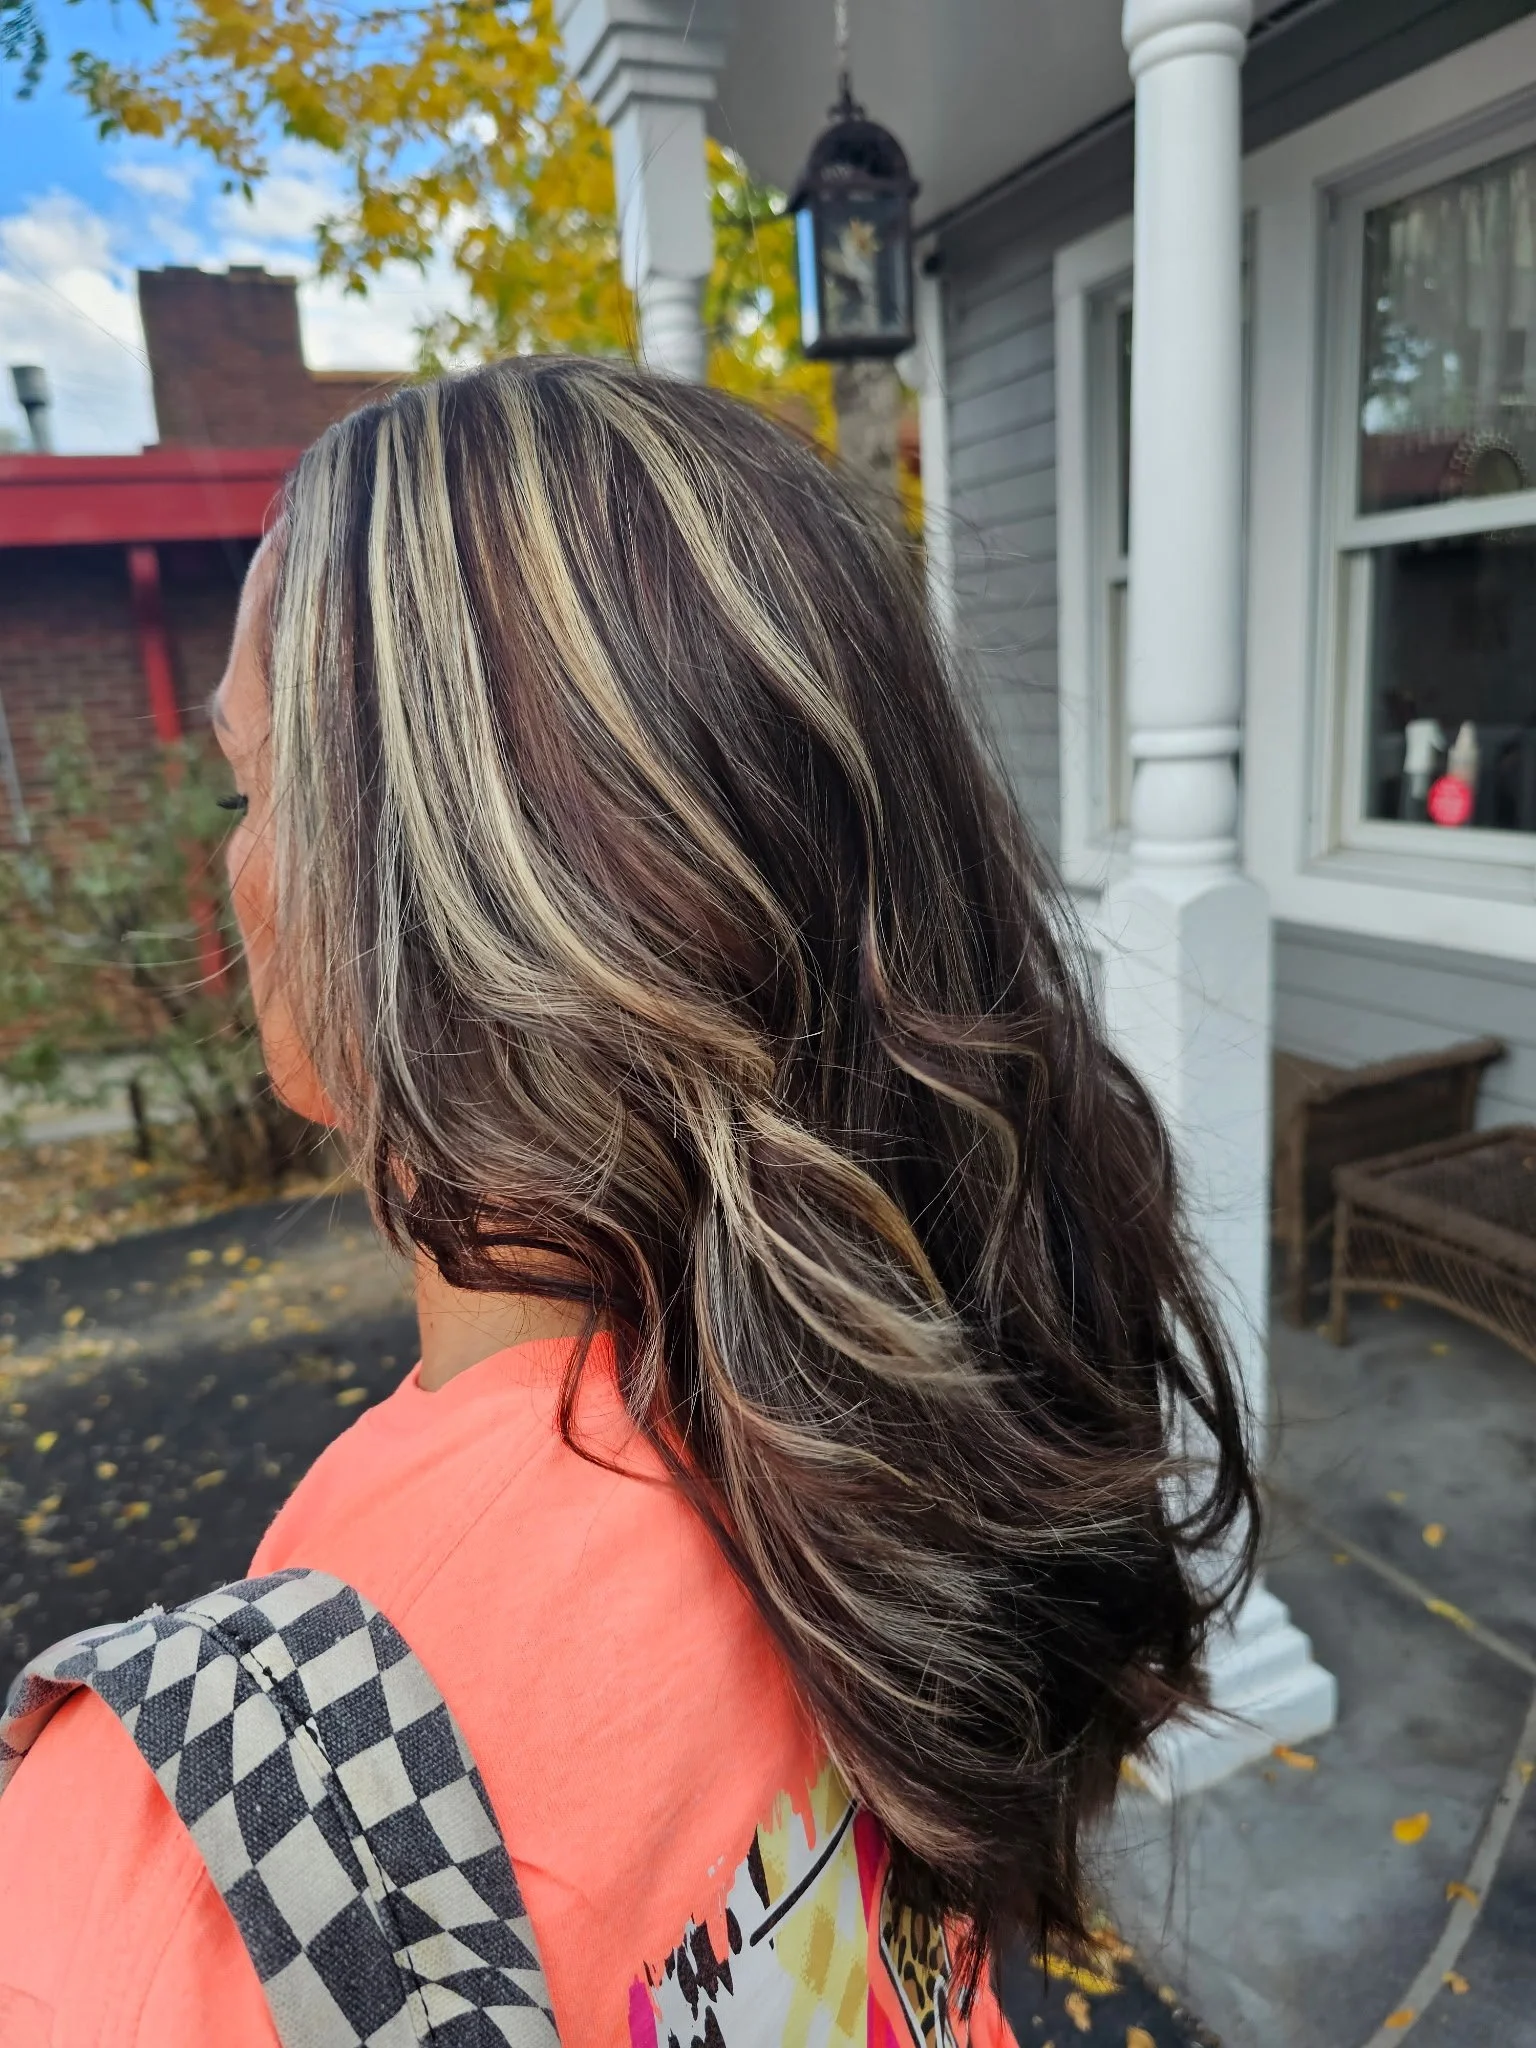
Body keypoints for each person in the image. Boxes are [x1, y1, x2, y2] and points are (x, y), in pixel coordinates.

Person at [0, 357, 1257, 2046]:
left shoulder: (149, 1863)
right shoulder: (883, 1420)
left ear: (423, 886)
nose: (232, 861)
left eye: (249, 785)